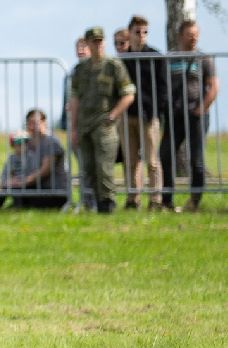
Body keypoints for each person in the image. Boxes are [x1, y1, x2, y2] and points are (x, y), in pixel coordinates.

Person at [67, 25, 135, 214]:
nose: (98, 45)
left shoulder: (113, 66)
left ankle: (107, 203)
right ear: (87, 43)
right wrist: (73, 127)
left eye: (100, 41)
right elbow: (74, 99)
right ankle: (92, 203)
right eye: (94, 42)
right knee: (88, 167)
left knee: (104, 167)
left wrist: (114, 114)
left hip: (105, 125)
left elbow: (129, 94)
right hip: (84, 125)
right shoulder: (80, 70)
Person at [162, 19, 218, 212]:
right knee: (166, 153)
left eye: (196, 34)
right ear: (180, 36)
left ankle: (195, 200)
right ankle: (166, 200)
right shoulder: (170, 59)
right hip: (175, 114)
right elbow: (162, 84)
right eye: (189, 34)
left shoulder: (204, 59)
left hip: (196, 114)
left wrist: (203, 108)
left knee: (197, 159)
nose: (193, 38)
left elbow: (213, 86)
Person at [120, 15, 165, 210]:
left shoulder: (155, 56)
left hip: (148, 116)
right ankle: (133, 198)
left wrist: (155, 112)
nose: (141, 36)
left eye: (145, 32)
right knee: (130, 161)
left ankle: (156, 199)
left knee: (152, 160)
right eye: (137, 32)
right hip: (127, 116)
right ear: (129, 33)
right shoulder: (122, 60)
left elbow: (163, 88)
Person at [0, 109, 68, 210]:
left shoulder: (52, 142)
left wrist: (23, 182)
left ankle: (18, 206)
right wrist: (12, 180)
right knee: (11, 187)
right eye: (30, 123)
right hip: (37, 188)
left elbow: (45, 171)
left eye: (36, 123)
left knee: (17, 190)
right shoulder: (28, 144)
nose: (33, 126)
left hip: (54, 191)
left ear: (44, 123)